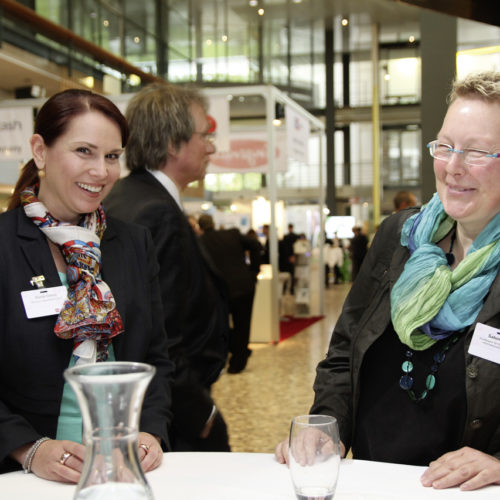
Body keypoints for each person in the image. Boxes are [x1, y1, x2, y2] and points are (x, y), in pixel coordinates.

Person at [275, 71, 500, 491]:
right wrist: (329, 424)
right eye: (445, 146)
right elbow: (344, 348)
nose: (453, 167)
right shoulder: (400, 235)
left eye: (476, 151)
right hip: (370, 479)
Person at [0, 89, 174, 481]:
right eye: (84, 151)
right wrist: (29, 449)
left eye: (112, 156)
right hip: (28, 477)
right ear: (40, 151)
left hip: (122, 470)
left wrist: (150, 431)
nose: (101, 171)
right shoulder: (5, 247)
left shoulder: (132, 243)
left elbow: (157, 358)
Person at [104, 82, 231, 452]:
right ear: (172, 143)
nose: (211, 147)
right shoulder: (155, 212)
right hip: (171, 411)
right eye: (204, 135)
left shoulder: (126, 197)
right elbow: (159, 330)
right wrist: (199, 411)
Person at [198, 214, 262, 373]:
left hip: (221, 290)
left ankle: (237, 353)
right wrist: (254, 271)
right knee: (243, 324)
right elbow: (255, 244)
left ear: (200, 228)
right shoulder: (232, 234)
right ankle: (239, 360)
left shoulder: (201, 242)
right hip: (244, 286)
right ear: (214, 222)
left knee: (221, 327)